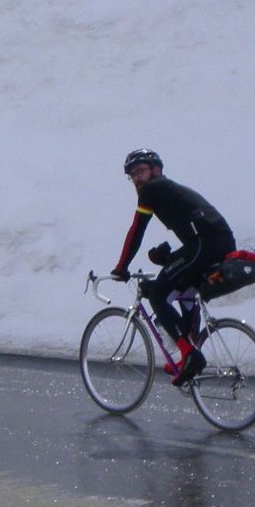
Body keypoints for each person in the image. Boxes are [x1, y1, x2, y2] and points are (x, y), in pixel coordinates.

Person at [108, 148, 236, 386]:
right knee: (184, 289)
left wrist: (121, 267)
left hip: (204, 244)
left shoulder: (152, 190)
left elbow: (136, 230)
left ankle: (189, 353)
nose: (136, 179)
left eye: (140, 171)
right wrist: (168, 259)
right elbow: (190, 237)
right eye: (132, 175)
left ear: (155, 170)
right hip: (216, 242)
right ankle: (189, 350)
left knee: (158, 295)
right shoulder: (167, 190)